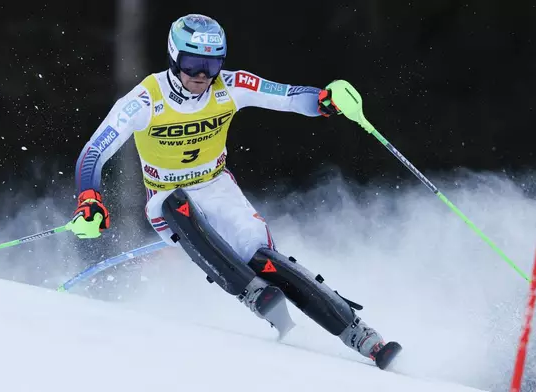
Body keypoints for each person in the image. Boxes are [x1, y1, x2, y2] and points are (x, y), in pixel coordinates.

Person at [70, 13, 401, 370]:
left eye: (210, 65)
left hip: (217, 186)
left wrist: (324, 100)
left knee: (261, 255)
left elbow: (289, 97)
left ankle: (362, 336)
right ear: (173, 57)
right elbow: (93, 153)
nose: (201, 76)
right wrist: (90, 198)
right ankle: (251, 292)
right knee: (175, 206)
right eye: (193, 63)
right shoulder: (145, 100)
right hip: (165, 193)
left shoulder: (230, 84)